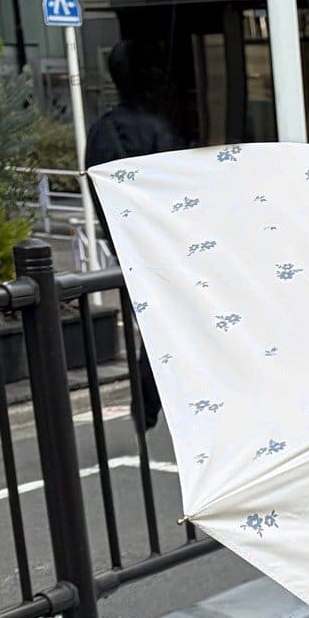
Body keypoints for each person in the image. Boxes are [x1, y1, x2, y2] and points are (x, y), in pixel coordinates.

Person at [84, 40, 182, 430]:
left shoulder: (102, 131)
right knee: (174, 328)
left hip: (128, 247)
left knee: (156, 328)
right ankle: (154, 402)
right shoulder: (159, 129)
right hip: (166, 247)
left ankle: (146, 406)